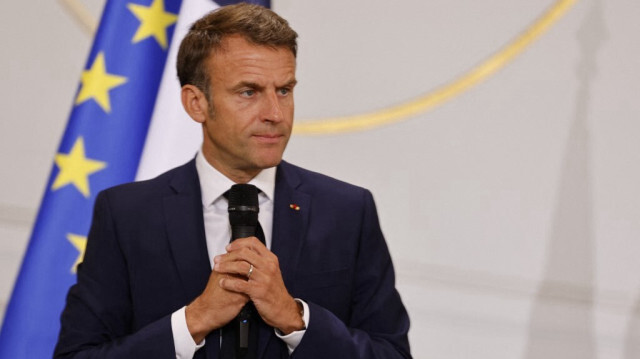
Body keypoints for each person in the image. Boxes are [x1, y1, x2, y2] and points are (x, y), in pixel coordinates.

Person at [54, 3, 411, 358]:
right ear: (197, 103)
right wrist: (193, 321)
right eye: (249, 92)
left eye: (284, 90)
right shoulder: (127, 215)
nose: (275, 114)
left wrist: (294, 318)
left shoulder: (347, 212)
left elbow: (392, 354)